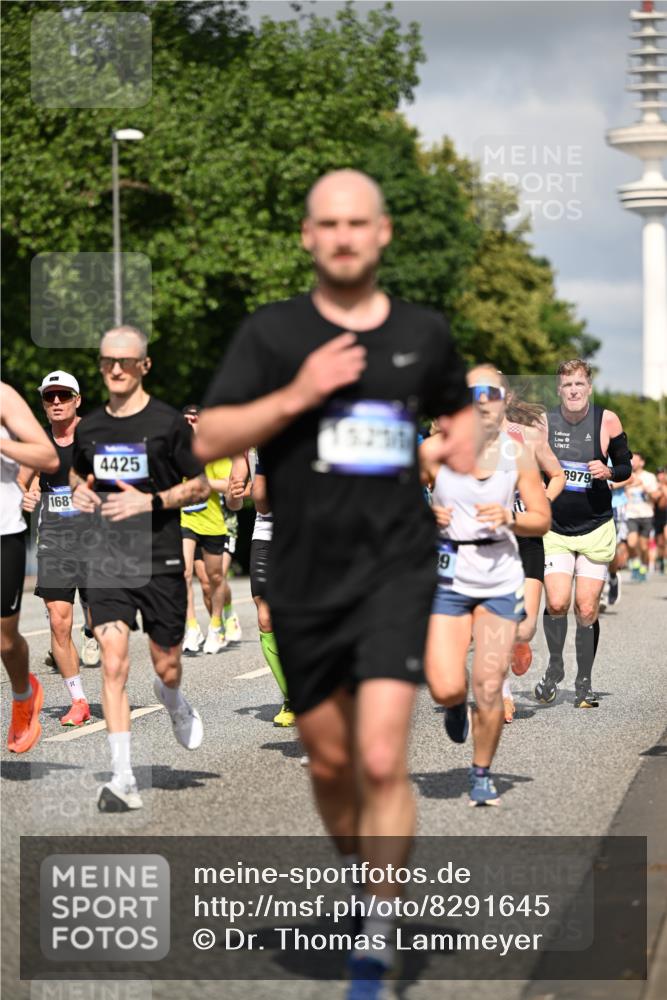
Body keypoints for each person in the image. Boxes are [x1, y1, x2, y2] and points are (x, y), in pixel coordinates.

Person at [196, 169, 475, 993]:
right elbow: (211, 431)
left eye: (359, 222)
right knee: (329, 767)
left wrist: (443, 446)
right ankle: (364, 878)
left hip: (393, 567)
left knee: (382, 755)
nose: (345, 235)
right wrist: (298, 394)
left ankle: (378, 930)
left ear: (382, 233)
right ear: (309, 237)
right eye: (329, 223)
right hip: (306, 574)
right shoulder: (273, 334)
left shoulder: (422, 333)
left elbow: (457, 413)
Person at [70, 326, 209, 812]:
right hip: (107, 560)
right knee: (112, 660)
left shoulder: (169, 424)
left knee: (166, 666)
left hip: (160, 558)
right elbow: (76, 473)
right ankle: (123, 777)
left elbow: (202, 486)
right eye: (108, 360)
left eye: (125, 362)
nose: (115, 369)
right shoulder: (89, 429)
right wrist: (80, 492)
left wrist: (151, 502)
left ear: (143, 366)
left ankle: (172, 699)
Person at [421, 367, 551, 805]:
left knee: (489, 686)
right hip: (450, 575)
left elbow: (541, 517)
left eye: (491, 392)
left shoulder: (517, 453)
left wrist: (510, 518)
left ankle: (481, 773)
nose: (483, 400)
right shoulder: (434, 450)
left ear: (503, 399)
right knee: (444, 686)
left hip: (499, 577)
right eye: (473, 392)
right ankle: (455, 706)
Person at [536, 360, 631, 709]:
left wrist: (608, 470)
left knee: (587, 607)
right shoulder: (545, 422)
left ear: (589, 387)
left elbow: (626, 465)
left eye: (579, 384)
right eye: (567, 385)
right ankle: (555, 665)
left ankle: (584, 682)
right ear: (558, 389)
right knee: (558, 603)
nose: (573, 390)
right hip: (556, 528)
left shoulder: (607, 420)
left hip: (595, 526)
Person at [20, 371, 99, 728]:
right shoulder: (38, 443)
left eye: (63, 395)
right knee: (57, 619)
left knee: (103, 623)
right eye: (49, 397)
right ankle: (79, 700)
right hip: (55, 543)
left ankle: (94, 633)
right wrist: (29, 491)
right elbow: (23, 481)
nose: (56, 402)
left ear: (77, 399)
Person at [500, 375, 565, 722]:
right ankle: (502, 692)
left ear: (507, 397)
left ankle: (519, 641)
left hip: (525, 536)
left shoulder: (527, 435)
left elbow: (557, 475)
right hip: (488, 540)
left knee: (524, 627)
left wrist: (541, 502)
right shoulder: (463, 438)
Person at [1, 382, 58, 752]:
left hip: (3, 530)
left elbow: (47, 456)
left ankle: (24, 693)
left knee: (4, 640)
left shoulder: (3, 396)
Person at [180, 405, 245, 655]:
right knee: (184, 574)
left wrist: (203, 483)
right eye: (185, 420)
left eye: (195, 419)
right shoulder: (177, 451)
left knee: (212, 581)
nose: (190, 423)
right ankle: (192, 627)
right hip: (186, 521)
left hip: (219, 522)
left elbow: (230, 485)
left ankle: (219, 620)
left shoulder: (215, 450)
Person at [249, 448, 294, 727]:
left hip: (307, 531)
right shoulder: (258, 441)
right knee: (266, 618)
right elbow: (255, 504)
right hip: (266, 531)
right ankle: (292, 697)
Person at [625, 453, 660, 581]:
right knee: (631, 542)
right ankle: (635, 565)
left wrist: (644, 487)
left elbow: (656, 496)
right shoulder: (626, 475)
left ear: (642, 462)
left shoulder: (649, 477)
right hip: (630, 514)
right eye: (631, 460)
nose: (633, 462)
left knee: (644, 546)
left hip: (646, 514)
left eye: (636, 460)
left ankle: (644, 566)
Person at [655, 467, 667, 573]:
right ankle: (662, 560)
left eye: (663, 474)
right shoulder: (655, 486)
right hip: (658, 516)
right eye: (659, 474)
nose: (661, 476)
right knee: (660, 542)